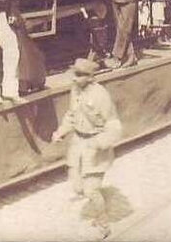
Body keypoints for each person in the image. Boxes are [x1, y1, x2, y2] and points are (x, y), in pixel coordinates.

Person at [51, 58, 123, 239]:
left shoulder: (101, 96)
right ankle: (97, 194)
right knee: (77, 187)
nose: (74, 78)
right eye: (74, 74)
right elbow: (72, 115)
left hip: (95, 146)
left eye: (79, 75)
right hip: (78, 144)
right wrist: (61, 131)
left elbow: (114, 126)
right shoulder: (75, 90)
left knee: (91, 190)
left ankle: (103, 225)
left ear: (90, 77)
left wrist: (100, 143)